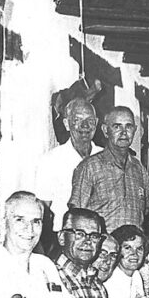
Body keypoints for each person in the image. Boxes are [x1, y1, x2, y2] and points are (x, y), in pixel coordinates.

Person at [69, 106, 149, 231]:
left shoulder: (138, 168)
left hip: (133, 247)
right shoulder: (90, 166)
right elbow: (76, 213)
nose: (124, 132)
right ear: (105, 130)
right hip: (104, 247)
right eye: (117, 126)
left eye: (129, 126)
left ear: (135, 130)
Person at [34, 97, 102, 236]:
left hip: (100, 239)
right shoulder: (50, 160)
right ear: (66, 124)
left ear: (96, 123)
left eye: (90, 121)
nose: (85, 126)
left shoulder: (106, 157)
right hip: (64, 237)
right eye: (77, 120)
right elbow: (43, 209)